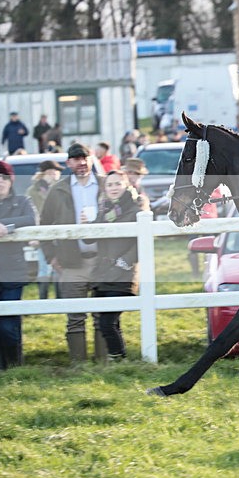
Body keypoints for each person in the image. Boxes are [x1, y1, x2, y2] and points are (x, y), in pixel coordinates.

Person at [40, 143, 106, 363]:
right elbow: (45, 224)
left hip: (102, 261)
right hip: (71, 262)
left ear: (92, 158)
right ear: (68, 163)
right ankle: (79, 365)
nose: (81, 162)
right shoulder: (58, 190)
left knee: (103, 315)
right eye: (76, 159)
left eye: (85, 157)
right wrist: (51, 258)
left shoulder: (107, 185)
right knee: (75, 316)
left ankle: (105, 364)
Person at [87, 170, 144, 361]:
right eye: (109, 184)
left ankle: (118, 357)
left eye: (117, 184)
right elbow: (88, 239)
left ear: (126, 186)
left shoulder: (136, 211)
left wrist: (126, 261)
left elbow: (141, 242)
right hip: (102, 274)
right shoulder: (103, 211)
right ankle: (119, 360)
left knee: (107, 323)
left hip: (122, 274)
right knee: (110, 321)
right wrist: (85, 225)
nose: (113, 188)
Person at [0, 161, 38, 370]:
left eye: (3, 178)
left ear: (11, 181)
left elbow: (31, 219)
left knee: (8, 323)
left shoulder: (23, 201)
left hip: (11, 271)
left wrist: (5, 227)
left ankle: (14, 367)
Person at [25, 160, 63, 299]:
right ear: (46, 173)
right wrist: (33, 235)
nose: (56, 174)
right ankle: (43, 299)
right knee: (44, 266)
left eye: (57, 172)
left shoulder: (60, 188)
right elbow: (31, 214)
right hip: (41, 233)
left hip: (58, 232)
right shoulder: (33, 191)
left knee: (59, 265)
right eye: (53, 171)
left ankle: (60, 299)